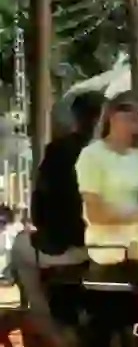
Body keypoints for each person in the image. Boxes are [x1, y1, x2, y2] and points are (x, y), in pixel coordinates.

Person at [75, 91, 138, 266]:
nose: (132, 115)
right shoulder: (91, 155)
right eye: (125, 108)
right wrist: (137, 215)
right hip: (105, 236)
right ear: (110, 115)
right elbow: (95, 214)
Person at [28, 90, 107, 263]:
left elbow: (38, 205)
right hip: (108, 245)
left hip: (62, 243)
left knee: (22, 251)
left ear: (76, 117)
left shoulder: (58, 150)